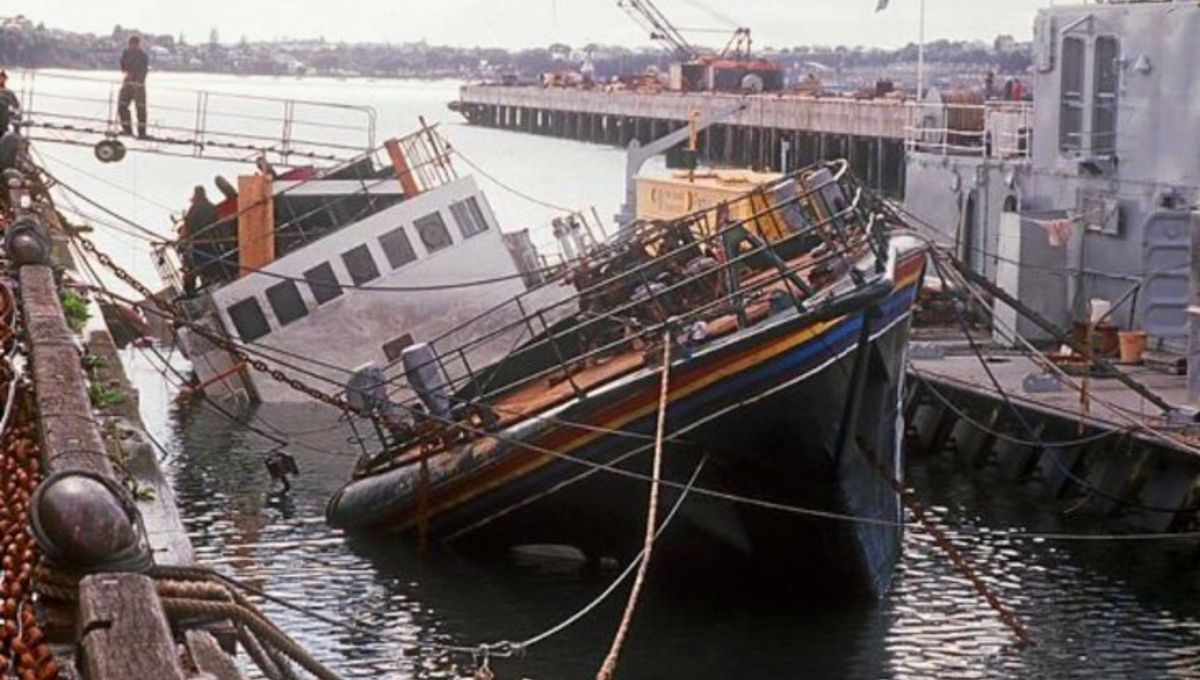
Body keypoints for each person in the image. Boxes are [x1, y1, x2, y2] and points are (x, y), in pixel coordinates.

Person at [180, 186, 219, 296]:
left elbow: (188, 226)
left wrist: (185, 239)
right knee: (213, 264)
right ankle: (215, 276)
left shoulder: (193, 209)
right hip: (213, 242)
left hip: (199, 244)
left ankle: (190, 291)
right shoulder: (210, 207)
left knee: (192, 268)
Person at [118, 36, 150, 138]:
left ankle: (142, 132)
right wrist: (127, 72)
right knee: (122, 106)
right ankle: (127, 130)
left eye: (134, 44)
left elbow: (143, 71)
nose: (132, 46)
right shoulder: (126, 53)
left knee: (140, 109)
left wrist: (137, 82)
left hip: (139, 85)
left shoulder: (143, 56)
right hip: (127, 83)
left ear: (138, 44)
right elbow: (122, 65)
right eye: (130, 44)